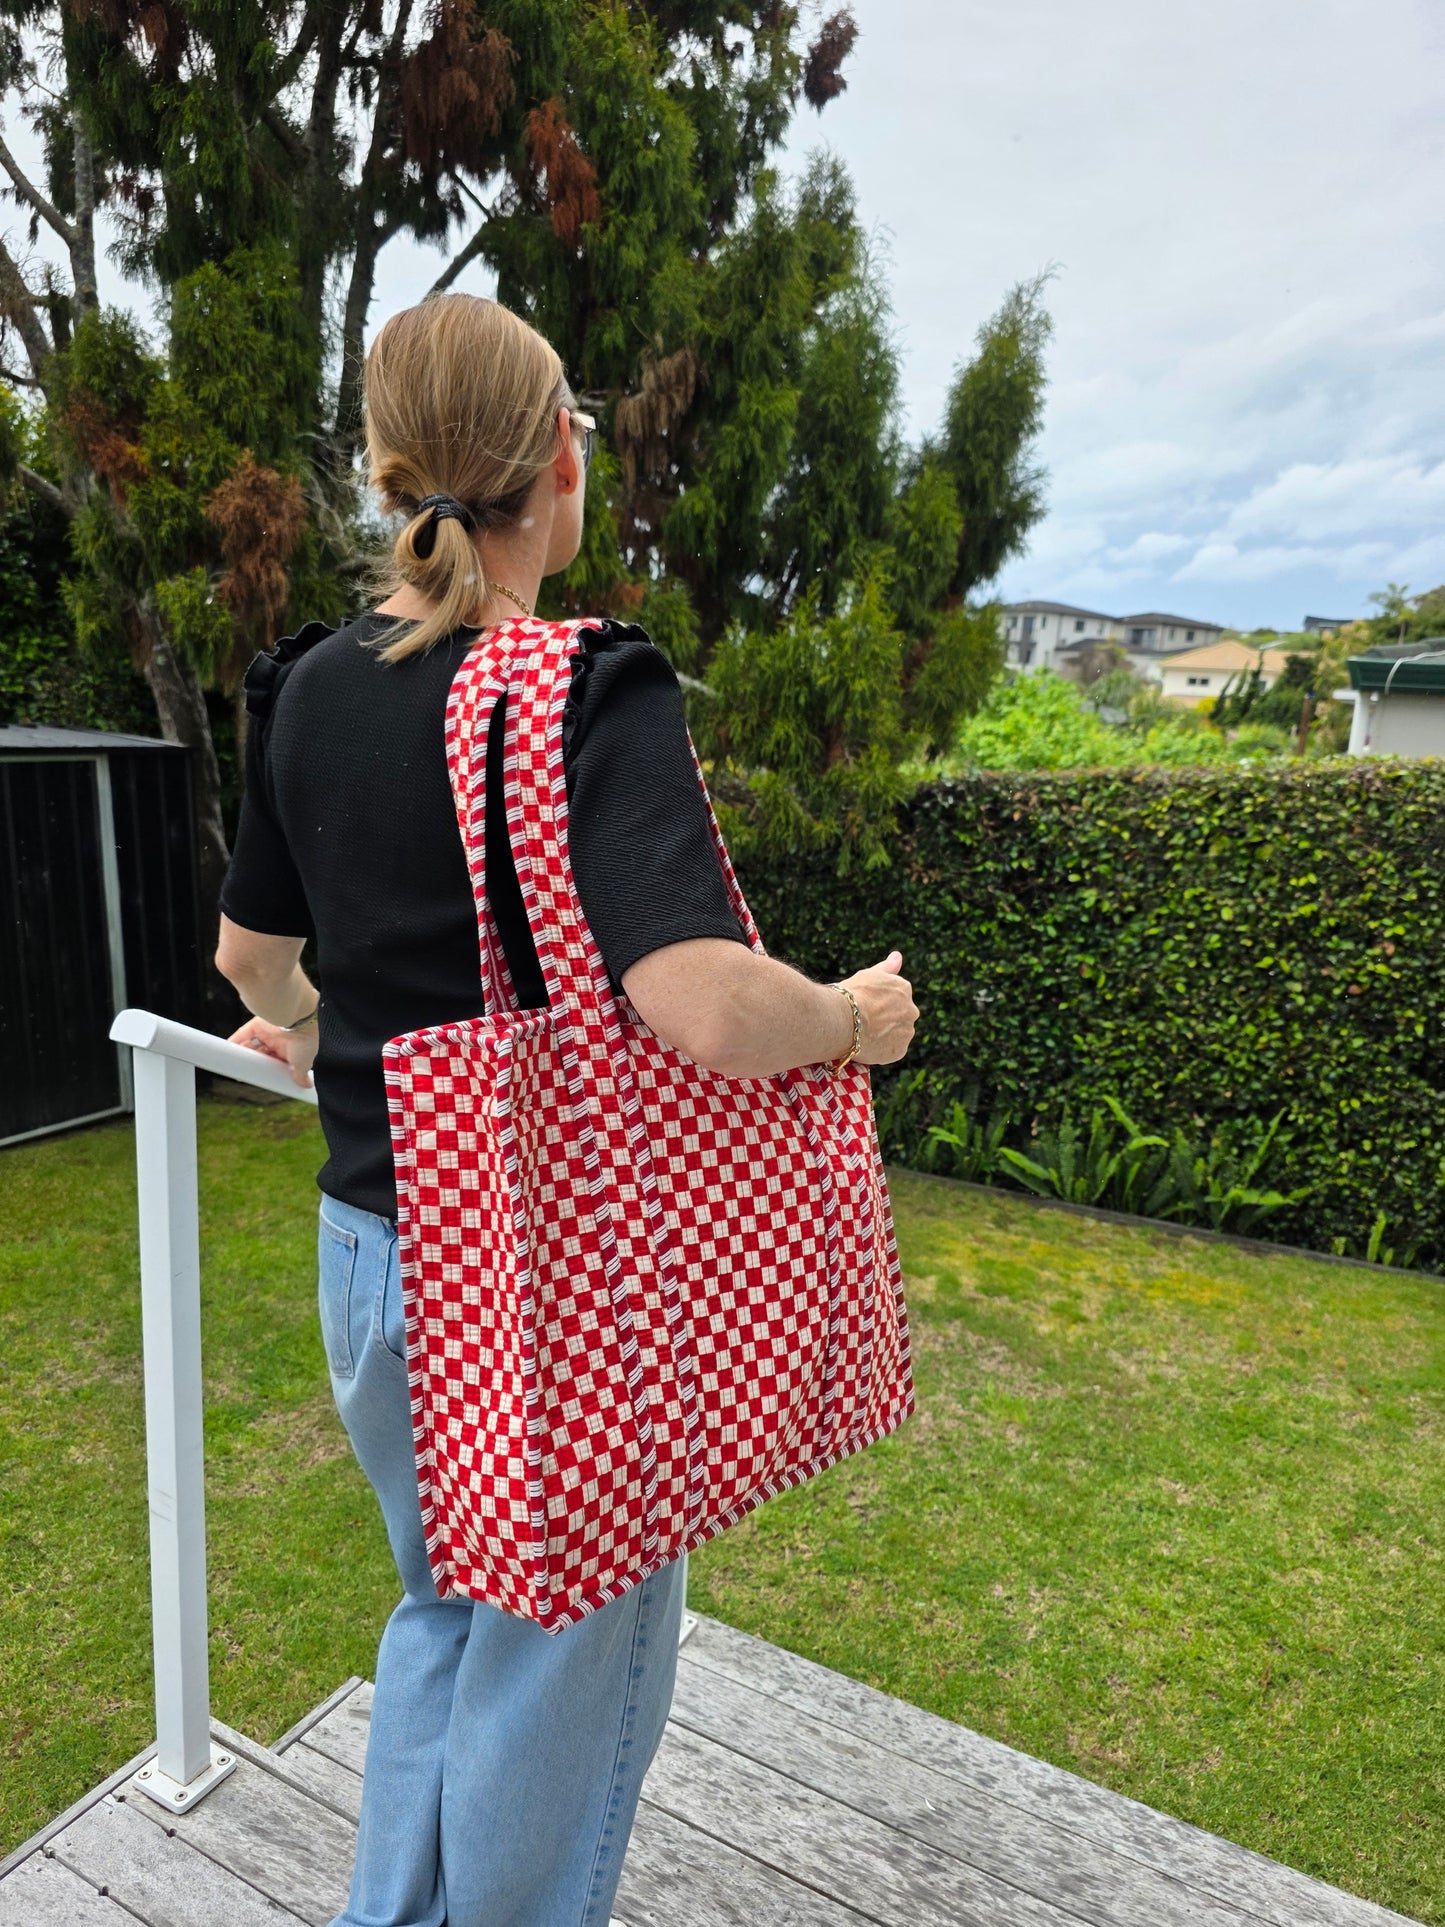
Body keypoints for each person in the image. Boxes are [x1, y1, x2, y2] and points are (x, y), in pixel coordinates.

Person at [215, 292, 917, 1927]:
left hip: (369, 1251)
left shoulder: (306, 685)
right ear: (559, 465)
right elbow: (694, 998)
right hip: (542, 1280)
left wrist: (317, 1034)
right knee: (557, 1652)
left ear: (388, 469)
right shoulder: (581, 688)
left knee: (444, 1610)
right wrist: (846, 1020)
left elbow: (253, 956)